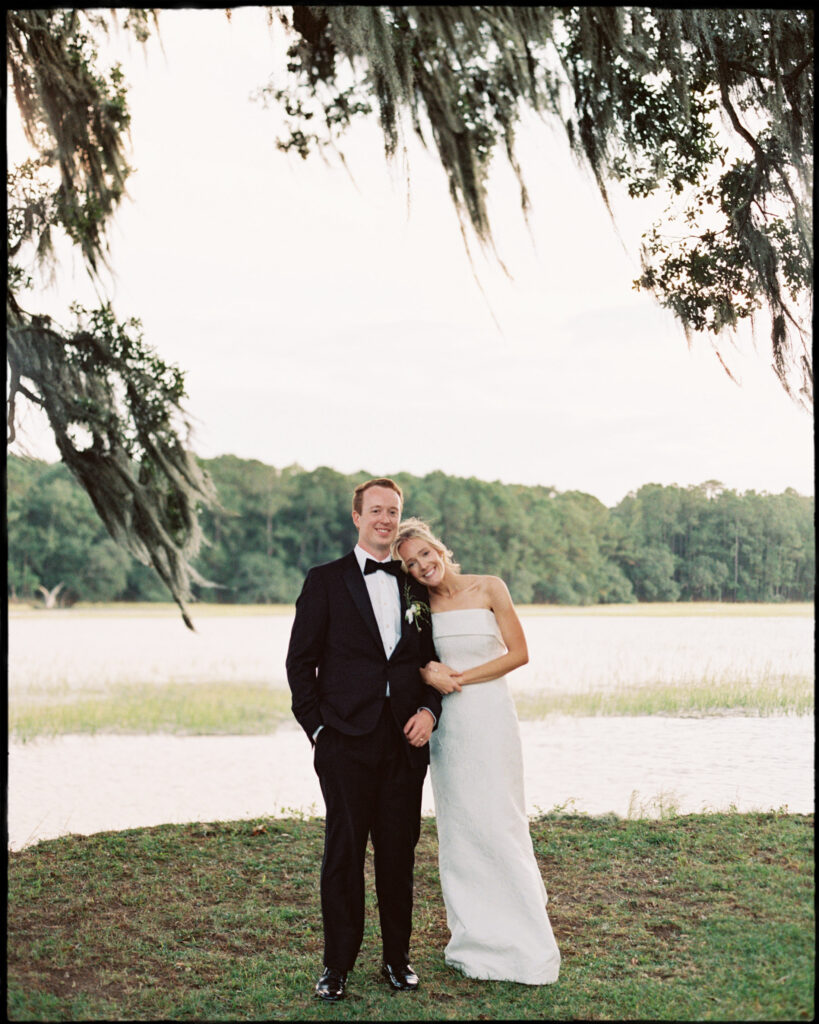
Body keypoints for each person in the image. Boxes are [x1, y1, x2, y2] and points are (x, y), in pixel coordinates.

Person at [285, 479, 443, 1002]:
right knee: (343, 857)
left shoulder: (414, 584)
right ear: (357, 517)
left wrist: (429, 710)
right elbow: (299, 663)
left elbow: (433, 662)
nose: (384, 519)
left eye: (392, 511)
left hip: (405, 743)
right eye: (375, 510)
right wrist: (318, 732)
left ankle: (397, 960)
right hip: (345, 744)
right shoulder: (324, 580)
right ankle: (336, 967)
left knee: (398, 857)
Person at [392, 517, 561, 986]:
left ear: (440, 549)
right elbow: (408, 660)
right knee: (461, 827)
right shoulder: (418, 606)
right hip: (449, 727)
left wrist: (459, 678)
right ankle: (474, 939)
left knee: (500, 819)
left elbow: (518, 654)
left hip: (489, 715)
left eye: (425, 554)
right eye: (411, 564)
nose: (422, 566)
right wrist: (427, 674)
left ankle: (526, 939)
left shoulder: (490, 587)